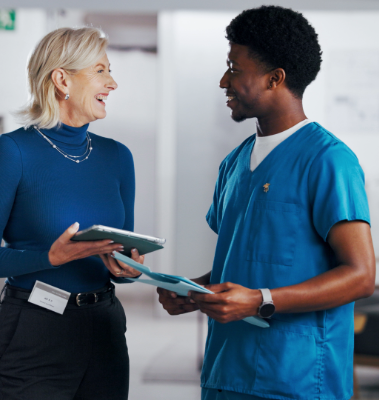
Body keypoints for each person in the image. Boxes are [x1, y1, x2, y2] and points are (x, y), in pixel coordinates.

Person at [157, 6, 376, 400]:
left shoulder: (329, 160)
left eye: (234, 69)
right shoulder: (234, 164)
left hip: (298, 378)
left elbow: (361, 275)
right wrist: (194, 291)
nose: (223, 80)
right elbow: (244, 261)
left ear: (276, 78)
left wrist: (260, 301)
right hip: (226, 371)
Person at [0, 27, 143, 400]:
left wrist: (128, 268)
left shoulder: (118, 157)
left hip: (105, 326)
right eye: (100, 70)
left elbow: (119, 251)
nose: (112, 83)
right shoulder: (10, 152)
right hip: (35, 328)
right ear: (61, 79)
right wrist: (49, 257)